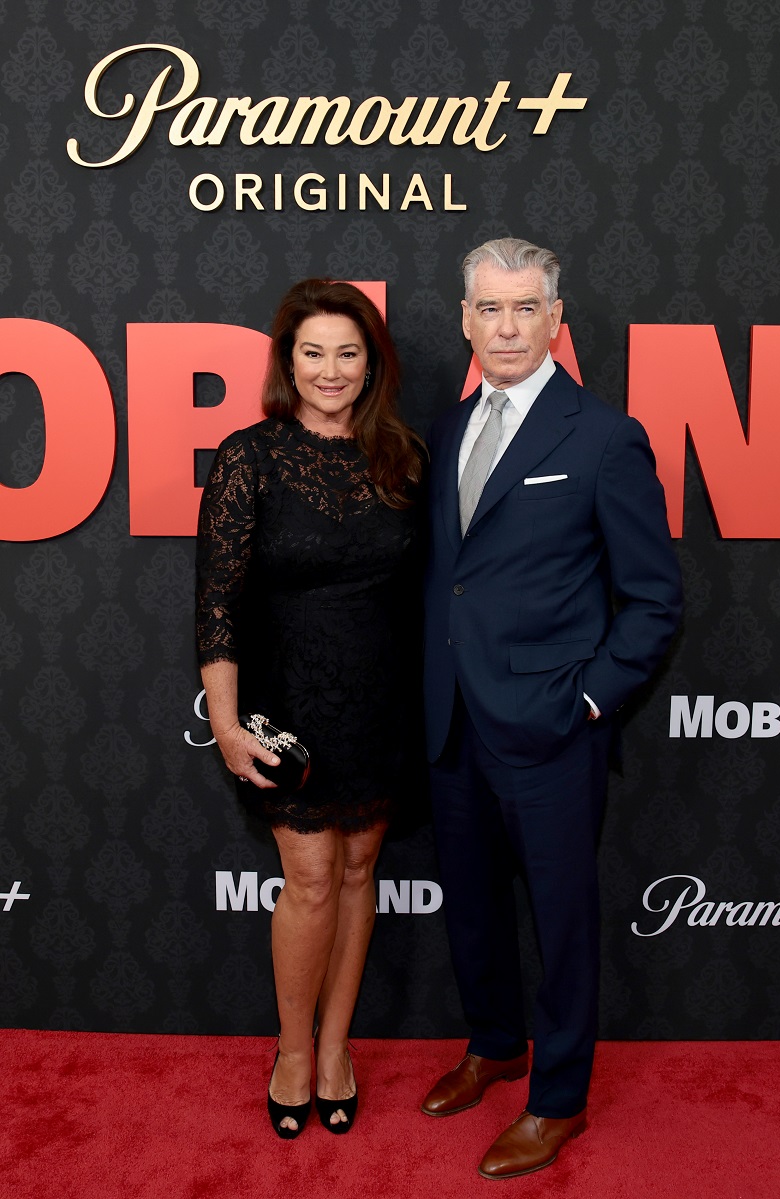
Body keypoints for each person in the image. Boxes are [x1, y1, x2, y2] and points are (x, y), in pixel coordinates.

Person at [421, 238, 682, 1178]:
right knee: (472, 907)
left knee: (563, 921)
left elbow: (654, 597)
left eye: (525, 307)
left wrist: (591, 699)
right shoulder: (449, 429)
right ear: (465, 321)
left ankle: (559, 1097)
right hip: (453, 719)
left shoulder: (604, 436)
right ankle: (494, 1044)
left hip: (553, 727)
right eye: (489, 309)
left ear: (556, 320)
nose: (507, 327)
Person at [196, 279, 424, 1139]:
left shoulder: (404, 457)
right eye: (313, 352)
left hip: (381, 701)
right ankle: (293, 1050)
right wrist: (226, 725)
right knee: (313, 877)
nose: (331, 370)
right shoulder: (248, 456)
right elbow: (217, 603)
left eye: (348, 353)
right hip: (287, 705)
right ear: (288, 363)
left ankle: (336, 1048)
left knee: (361, 870)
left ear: (371, 365)